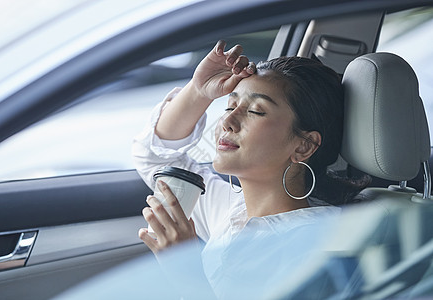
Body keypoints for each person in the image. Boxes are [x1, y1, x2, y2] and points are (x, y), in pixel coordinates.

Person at [132, 40, 368, 298]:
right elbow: (154, 158)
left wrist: (187, 274)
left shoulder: (322, 244)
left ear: (304, 146)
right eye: (230, 106)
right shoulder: (233, 210)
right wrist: (199, 91)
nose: (227, 121)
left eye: (256, 111)